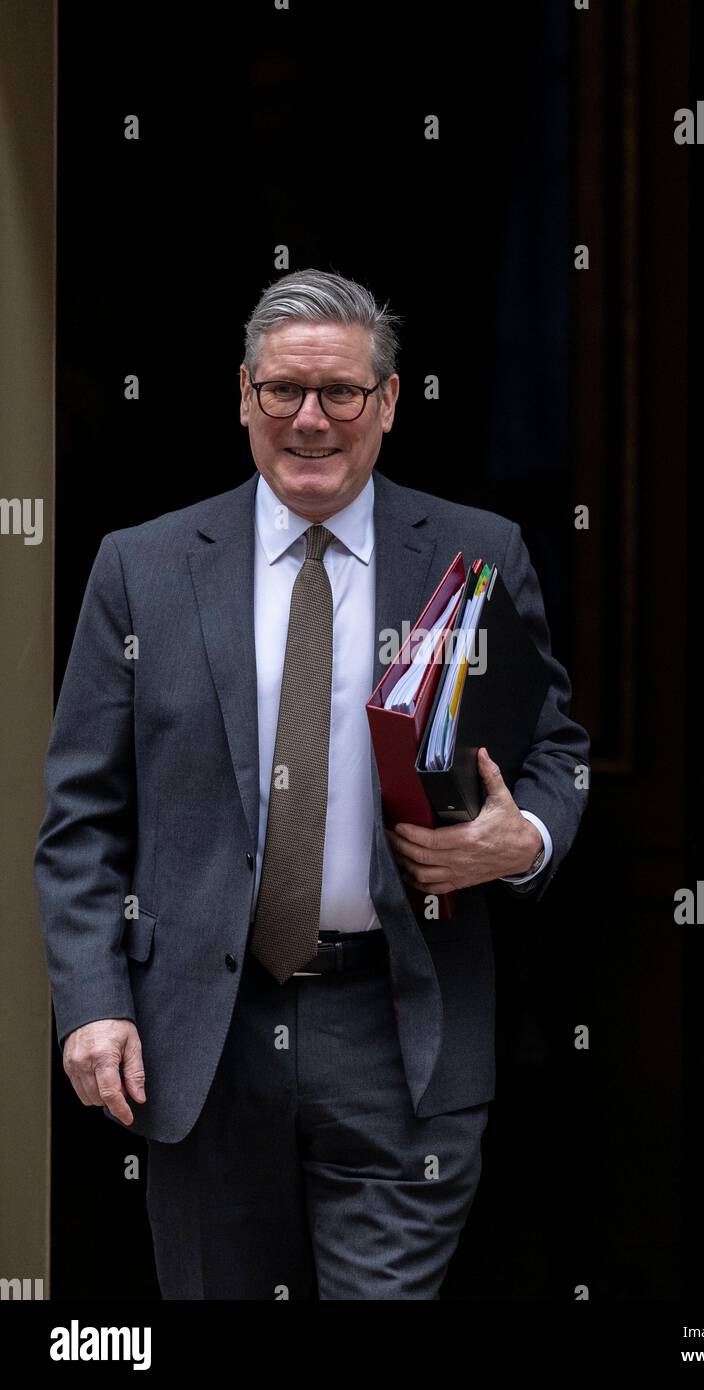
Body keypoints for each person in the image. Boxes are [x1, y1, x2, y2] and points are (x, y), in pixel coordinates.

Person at [33, 268, 590, 1300]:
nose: (310, 420)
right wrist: (91, 1001)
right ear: (242, 394)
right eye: (283, 390)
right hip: (201, 1035)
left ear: (386, 403)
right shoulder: (141, 569)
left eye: (340, 392)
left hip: (401, 1030)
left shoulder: (474, 553)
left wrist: (528, 840)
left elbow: (556, 751)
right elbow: (80, 818)